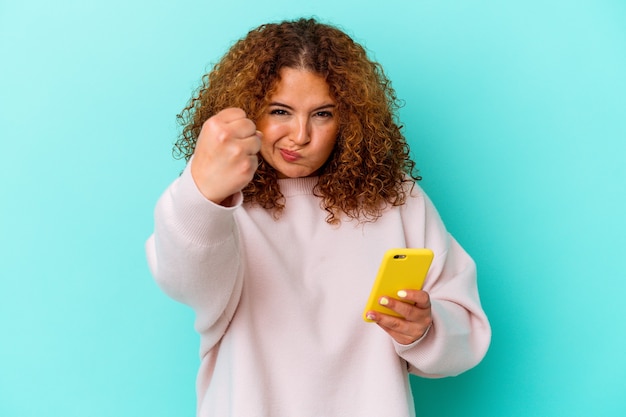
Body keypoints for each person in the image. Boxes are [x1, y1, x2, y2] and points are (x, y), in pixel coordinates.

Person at [146, 17, 491, 417]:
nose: (300, 135)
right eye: (280, 111)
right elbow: (185, 280)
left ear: (349, 119)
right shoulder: (220, 200)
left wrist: (426, 329)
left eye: (322, 114)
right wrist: (201, 192)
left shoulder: (399, 200)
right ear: (247, 108)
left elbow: (468, 334)